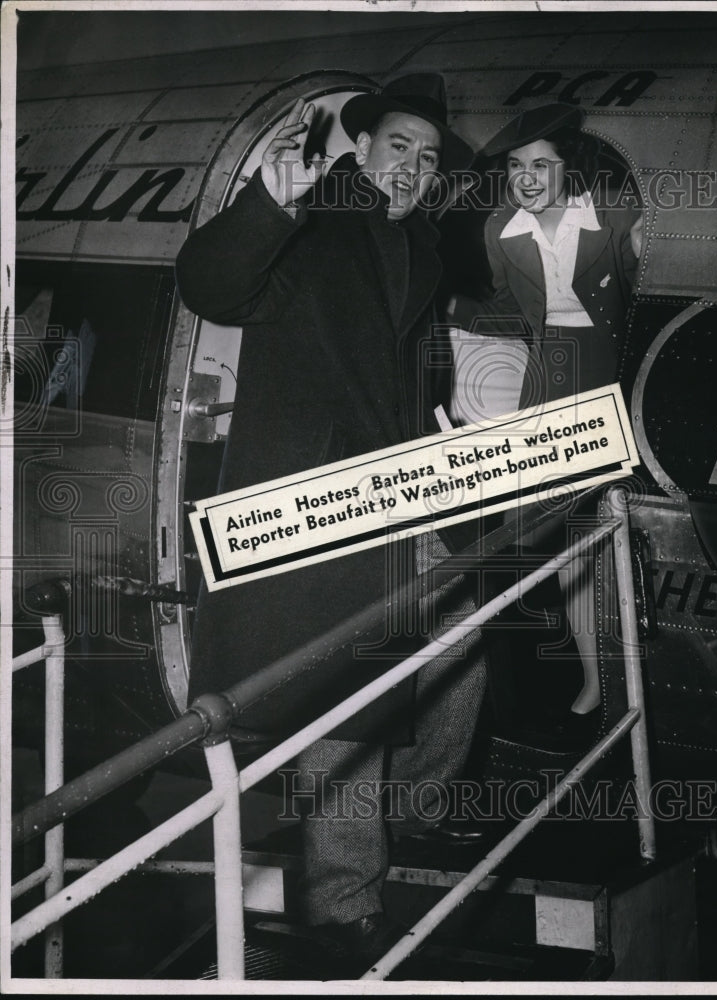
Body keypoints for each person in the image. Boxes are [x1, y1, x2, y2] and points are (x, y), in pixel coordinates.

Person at [176, 75, 485, 969]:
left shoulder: (417, 245)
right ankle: (343, 898)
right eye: (399, 146)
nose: (412, 167)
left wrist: (439, 436)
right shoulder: (310, 219)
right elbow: (211, 285)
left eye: (428, 156)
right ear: (364, 148)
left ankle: (415, 806)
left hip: (392, 488)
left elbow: (396, 371)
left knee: (462, 628)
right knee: (343, 692)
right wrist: (268, 204)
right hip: (309, 501)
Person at [449, 103, 642, 735]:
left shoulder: (615, 214)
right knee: (558, 544)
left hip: (611, 378)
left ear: (568, 168)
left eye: (540, 164)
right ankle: (593, 675)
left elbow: (645, 292)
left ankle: (626, 671)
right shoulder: (500, 230)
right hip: (547, 385)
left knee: (611, 528)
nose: (526, 178)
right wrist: (445, 311)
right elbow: (510, 312)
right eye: (515, 166)